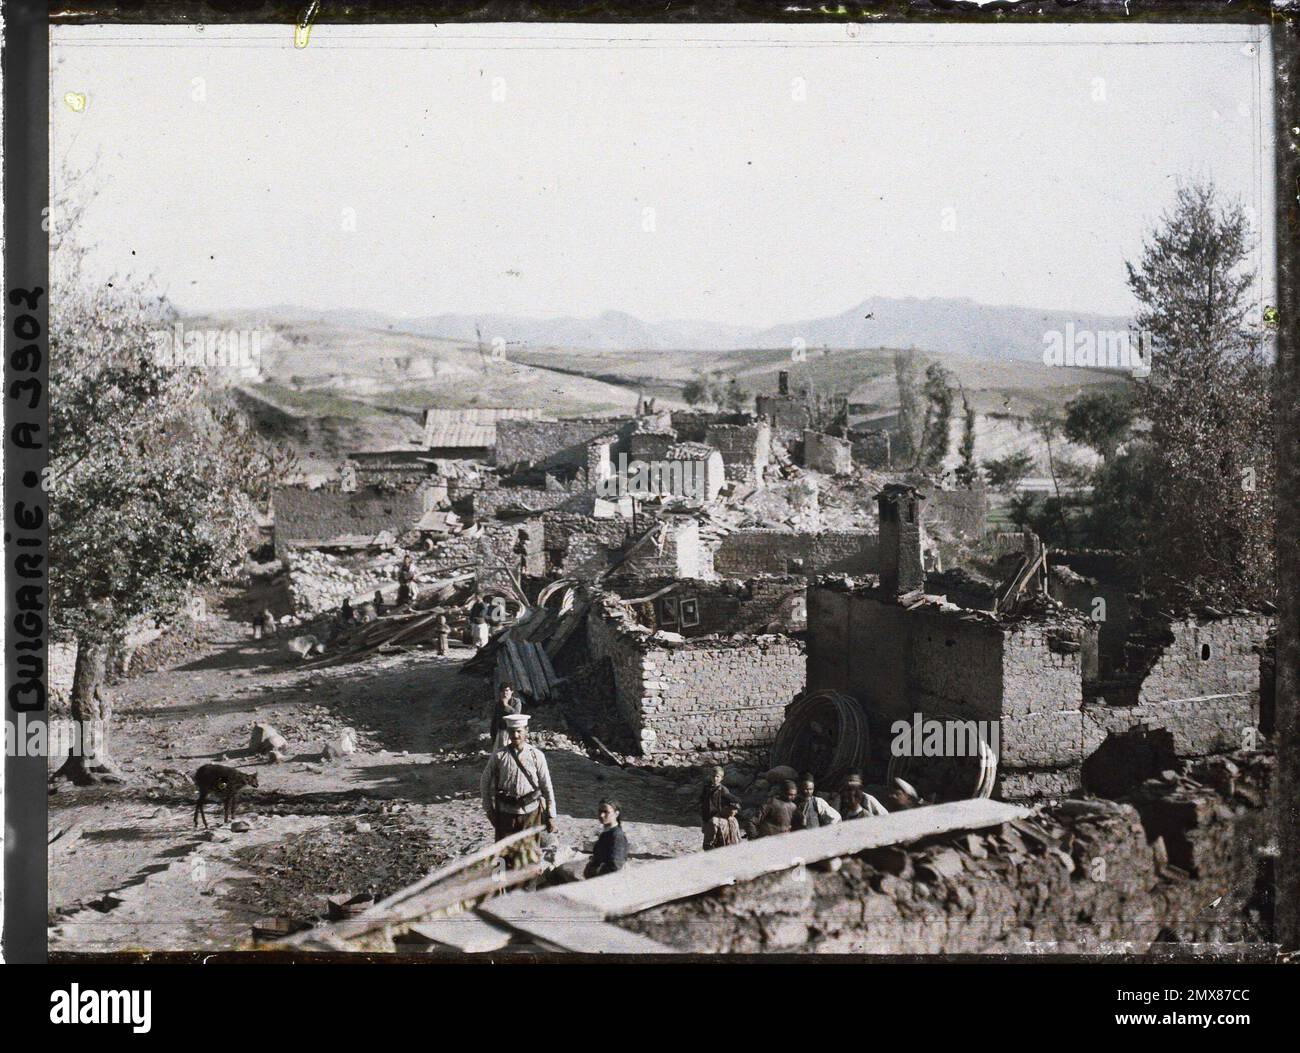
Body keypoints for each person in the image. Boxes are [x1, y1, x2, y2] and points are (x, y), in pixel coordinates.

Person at [480, 714, 558, 866]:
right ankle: (499, 887)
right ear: (508, 732)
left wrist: (551, 815)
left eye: (519, 731)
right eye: (512, 731)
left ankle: (529, 889)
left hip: (531, 814)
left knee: (530, 856)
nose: (515, 735)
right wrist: (489, 809)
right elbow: (484, 781)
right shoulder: (499, 756)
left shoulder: (537, 756)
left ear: (526, 731)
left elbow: (547, 786)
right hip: (505, 813)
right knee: (502, 856)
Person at [584, 799, 628, 878]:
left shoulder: (616, 836)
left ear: (616, 814)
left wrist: (596, 872)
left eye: (606, 812)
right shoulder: (607, 832)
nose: (601, 815)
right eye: (600, 811)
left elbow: (615, 866)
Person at [700, 765, 740, 850]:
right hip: (707, 817)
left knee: (719, 840)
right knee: (708, 840)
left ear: (721, 778)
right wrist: (703, 819)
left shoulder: (723, 790)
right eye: (713, 776)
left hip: (718, 819)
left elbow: (733, 801)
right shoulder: (706, 788)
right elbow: (703, 802)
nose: (715, 778)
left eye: (717, 777)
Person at [489, 683, 522, 750]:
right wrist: (493, 736)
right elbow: (494, 720)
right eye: (502, 691)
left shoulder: (516, 702)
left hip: (513, 731)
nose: (505, 693)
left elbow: (517, 714)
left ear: (511, 691)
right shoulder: (498, 704)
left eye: (507, 690)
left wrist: (506, 705)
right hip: (502, 732)